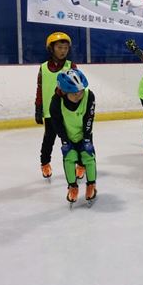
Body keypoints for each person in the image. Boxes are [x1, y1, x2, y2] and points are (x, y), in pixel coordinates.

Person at [35, 32, 84, 180]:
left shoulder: (71, 66)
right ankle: (45, 163)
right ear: (51, 49)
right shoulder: (43, 68)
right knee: (49, 139)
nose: (63, 51)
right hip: (51, 112)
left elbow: (79, 87)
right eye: (59, 47)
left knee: (75, 139)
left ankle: (80, 164)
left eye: (65, 48)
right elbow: (40, 89)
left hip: (68, 110)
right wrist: (38, 108)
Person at [50, 69, 97, 207]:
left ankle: (91, 185)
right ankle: (72, 186)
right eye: (74, 93)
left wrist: (87, 139)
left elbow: (89, 119)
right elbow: (57, 125)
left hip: (84, 133)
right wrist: (65, 141)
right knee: (69, 157)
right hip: (68, 135)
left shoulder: (89, 96)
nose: (79, 95)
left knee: (88, 156)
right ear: (64, 92)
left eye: (81, 91)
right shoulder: (55, 102)